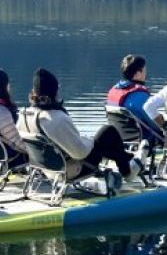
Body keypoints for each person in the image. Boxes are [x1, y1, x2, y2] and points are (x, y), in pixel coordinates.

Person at [17, 68, 147, 183]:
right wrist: (90, 140)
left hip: (46, 170)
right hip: (72, 170)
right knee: (108, 132)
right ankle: (128, 171)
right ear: (54, 92)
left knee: (103, 142)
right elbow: (80, 153)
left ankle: (128, 160)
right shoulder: (55, 118)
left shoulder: (24, 115)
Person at [105, 54, 163, 142]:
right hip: (141, 141)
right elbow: (154, 123)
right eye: (144, 71)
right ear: (138, 73)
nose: (145, 74)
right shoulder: (140, 95)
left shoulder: (113, 91)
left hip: (118, 140)